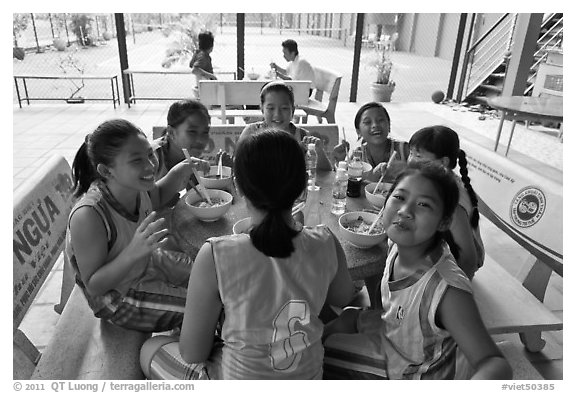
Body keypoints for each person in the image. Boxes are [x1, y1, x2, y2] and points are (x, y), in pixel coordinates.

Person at [140, 129, 355, 379]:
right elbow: (343, 295)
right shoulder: (326, 240)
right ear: (302, 190)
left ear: (238, 188)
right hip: (308, 377)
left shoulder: (215, 254)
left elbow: (193, 353)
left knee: (150, 347)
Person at [322, 162, 512, 380]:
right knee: (347, 317)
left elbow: (494, 363)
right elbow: (387, 300)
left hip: (415, 370)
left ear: (444, 222)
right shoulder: (398, 245)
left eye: (424, 204)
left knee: (325, 350)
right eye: (399, 197)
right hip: (396, 332)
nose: (405, 211)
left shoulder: (446, 289)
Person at [65, 119, 204, 332]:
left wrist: (181, 170)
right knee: (206, 307)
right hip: (117, 298)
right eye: (136, 160)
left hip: (146, 263)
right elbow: (94, 285)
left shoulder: (135, 184)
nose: (150, 165)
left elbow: (155, 197)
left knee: (213, 276)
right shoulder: (89, 215)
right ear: (106, 171)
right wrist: (133, 252)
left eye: (149, 154)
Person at [407, 125, 484, 279]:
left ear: (443, 162)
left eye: (419, 156)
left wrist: (454, 290)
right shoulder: (436, 180)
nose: (411, 161)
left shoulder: (452, 200)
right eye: (411, 153)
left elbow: (469, 260)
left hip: (455, 267)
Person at [239, 80, 332, 171]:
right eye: (271, 108)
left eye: (284, 108)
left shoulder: (302, 137)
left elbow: (325, 172)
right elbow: (238, 168)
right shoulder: (251, 133)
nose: (277, 114)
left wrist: (318, 152)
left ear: (293, 110)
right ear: (262, 109)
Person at [151, 99, 223, 207]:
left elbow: (196, 194)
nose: (201, 140)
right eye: (192, 132)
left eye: (205, 132)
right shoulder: (151, 159)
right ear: (171, 132)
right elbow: (142, 202)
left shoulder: (189, 154)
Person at [333, 102, 408, 182]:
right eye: (368, 122)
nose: (375, 125)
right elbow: (344, 182)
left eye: (380, 120)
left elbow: (421, 173)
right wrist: (339, 161)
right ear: (359, 132)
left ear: (389, 125)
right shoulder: (357, 156)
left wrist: (409, 169)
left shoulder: (404, 150)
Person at [190, 31, 217, 96]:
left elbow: (191, 64)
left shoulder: (198, 53)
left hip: (203, 88)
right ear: (211, 45)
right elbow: (194, 70)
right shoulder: (203, 56)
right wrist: (211, 75)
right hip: (207, 90)